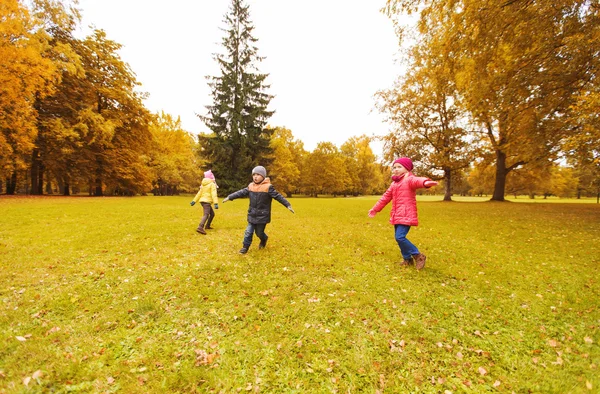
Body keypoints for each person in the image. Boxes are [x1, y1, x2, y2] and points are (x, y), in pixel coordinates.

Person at [368, 157, 438, 270]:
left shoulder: (409, 180)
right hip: (397, 214)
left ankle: (418, 255)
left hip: (406, 214)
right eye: (394, 167)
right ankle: (407, 259)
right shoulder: (394, 184)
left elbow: (417, 181)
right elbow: (385, 197)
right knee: (398, 238)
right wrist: (375, 209)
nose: (396, 169)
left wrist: (425, 182)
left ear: (407, 169)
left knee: (400, 237)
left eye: (399, 167)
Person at [222, 166, 295, 254]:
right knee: (248, 232)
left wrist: (287, 205)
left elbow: (278, 196)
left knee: (259, 233)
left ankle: (264, 239)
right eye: (254, 175)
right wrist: (229, 197)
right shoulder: (250, 186)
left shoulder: (268, 187)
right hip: (252, 214)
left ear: (263, 176)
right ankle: (245, 247)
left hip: (262, 215)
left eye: (258, 175)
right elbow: (240, 192)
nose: (255, 177)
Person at [190, 170, 219, 234]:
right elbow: (214, 194)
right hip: (207, 202)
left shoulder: (203, 184)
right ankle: (200, 227)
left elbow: (199, 193)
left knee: (212, 214)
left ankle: (207, 226)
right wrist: (216, 203)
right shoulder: (212, 184)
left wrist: (194, 201)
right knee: (206, 214)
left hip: (203, 201)